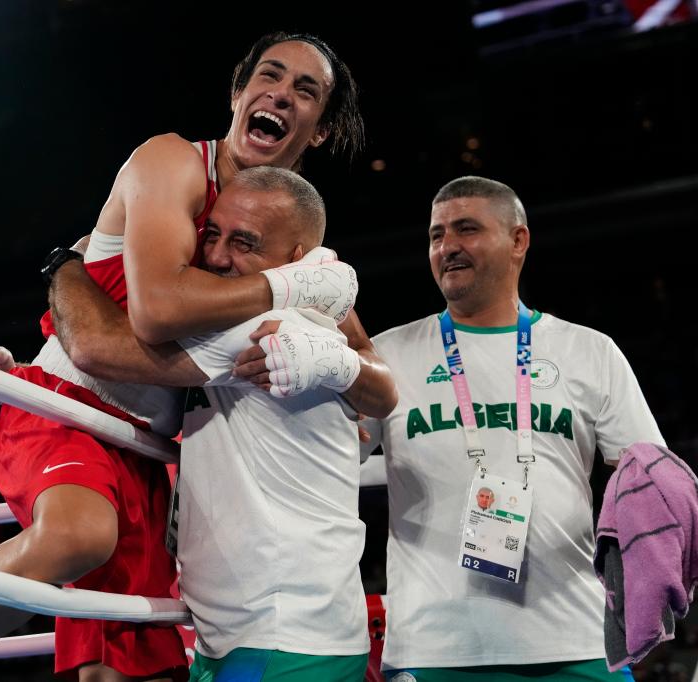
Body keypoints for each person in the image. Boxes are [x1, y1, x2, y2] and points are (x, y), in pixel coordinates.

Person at [0, 31, 392, 682]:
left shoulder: (290, 237)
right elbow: (153, 314)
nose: (280, 95)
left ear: (319, 129)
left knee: (121, 672)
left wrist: (337, 385)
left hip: (151, 458)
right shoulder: (171, 164)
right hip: (70, 411)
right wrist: (289, 291)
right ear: (238, 93)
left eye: (304, 90)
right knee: (78, 538)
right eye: (269, 75)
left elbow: (372, 373)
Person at [256, 175, 661, 681]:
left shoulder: (590, 352)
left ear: (518, 240)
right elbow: (332, 457)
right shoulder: (388, 357)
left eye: (466, 229)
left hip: (575, 642)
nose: (447, 247)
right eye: (436, 235)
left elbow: (648, 483)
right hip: (434, 650)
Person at [48, 166, 397, 681]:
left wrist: (65, 265)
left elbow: (92, 346)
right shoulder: (269, 321)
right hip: (246, 635)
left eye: (244, 243)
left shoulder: (262, 328)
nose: (214, 257)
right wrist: (18, 373)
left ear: (296, 263)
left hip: (282, 640)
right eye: (211, 234)